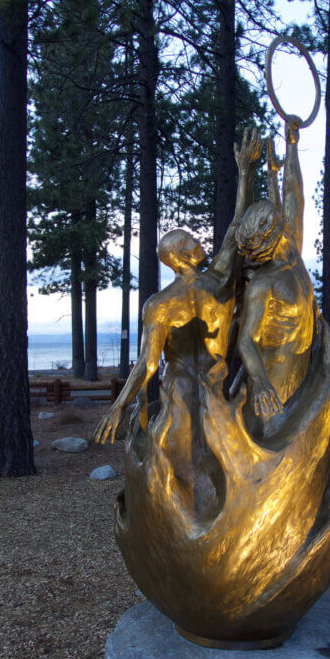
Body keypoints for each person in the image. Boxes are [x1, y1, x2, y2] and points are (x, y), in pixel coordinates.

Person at [93, 129, 262, 445]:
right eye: (191, 239)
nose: (199, 241)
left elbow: (148, 364)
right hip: (217, 393)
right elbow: (238, 225)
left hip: (182, 400)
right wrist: (245, 174)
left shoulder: (160, 304)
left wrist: (120, 405)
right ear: (184, 254)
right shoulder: (218, 280)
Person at [234, 121, 316, 420]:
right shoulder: (262, 284)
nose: (283, 213)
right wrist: (261, 381)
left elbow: (295, 196)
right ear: (271, 233)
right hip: (275, 379)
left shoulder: (291, 252)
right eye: (276, 215)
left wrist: (292, 144)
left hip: (303, 371)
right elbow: (246, 340)